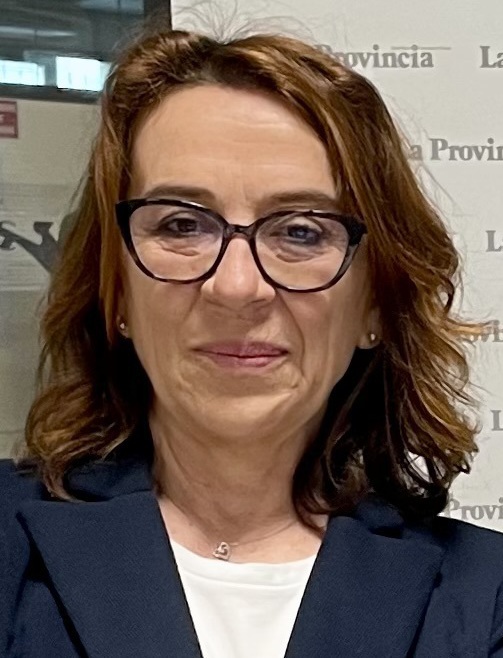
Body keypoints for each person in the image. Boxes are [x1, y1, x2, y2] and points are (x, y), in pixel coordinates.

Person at [1, 23, 502, 658]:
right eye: (182, 225)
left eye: (301, 232)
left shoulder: (483, 595)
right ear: (115, 289)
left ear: (375, 302)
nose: (237, 288)